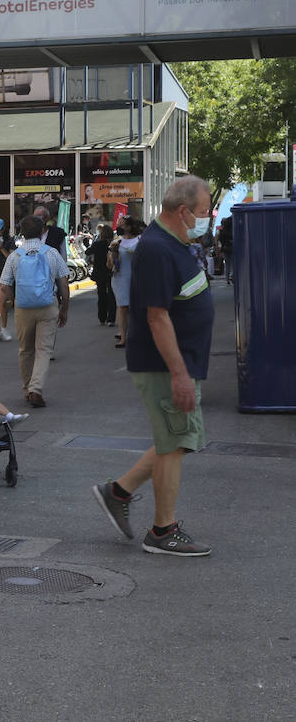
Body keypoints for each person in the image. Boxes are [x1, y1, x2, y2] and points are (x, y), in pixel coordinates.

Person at [91, 177, 215, 557]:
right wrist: (178, 374)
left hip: (179, 362)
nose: (208, 217)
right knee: (176, 441)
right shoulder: (158, 249)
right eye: (205, 211)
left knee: (174, 440)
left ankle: (118, 493)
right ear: (183, 212)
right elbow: (157, 318)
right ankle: (163, 531)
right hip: (165, 365)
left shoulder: (176, 243)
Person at [0, 213, 70, 408]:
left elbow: (4, 286)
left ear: (21, 232)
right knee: (44, 350)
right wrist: (64, 307)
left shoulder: (15, 256)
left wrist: (15, 300)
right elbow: (64, 282)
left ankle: (27, 388)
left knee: (25, 350)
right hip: (48, 306)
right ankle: (36, 389)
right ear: (42, 231)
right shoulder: (52, 253)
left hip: (23, 308)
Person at [110, 219, 143, 349]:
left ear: (129, 226)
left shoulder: (140, 240)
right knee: (122, 307)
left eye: (122, 224)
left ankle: (135, 335)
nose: (119, 226)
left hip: (136, 277)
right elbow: (111, 263)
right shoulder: (117, 241)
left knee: (135, 308)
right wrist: (114, 252)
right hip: (120, 278)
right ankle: (123, 337)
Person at [86, 224, 116, 326]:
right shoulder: (113, 245)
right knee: (111, 295)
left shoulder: (98, 244)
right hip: (111, 271)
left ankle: (102, 317)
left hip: (99, 272)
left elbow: (87, 252)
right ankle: (111, 318)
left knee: (101, 294)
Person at [216, 217, 234, 284]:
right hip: (232, 248)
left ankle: (227, 279)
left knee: (227, 264)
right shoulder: (231, 231)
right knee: (232, 263)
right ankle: (232, 276)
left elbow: (218, 240)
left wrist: (217, 250)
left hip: (225, 249)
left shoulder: (221, 231)